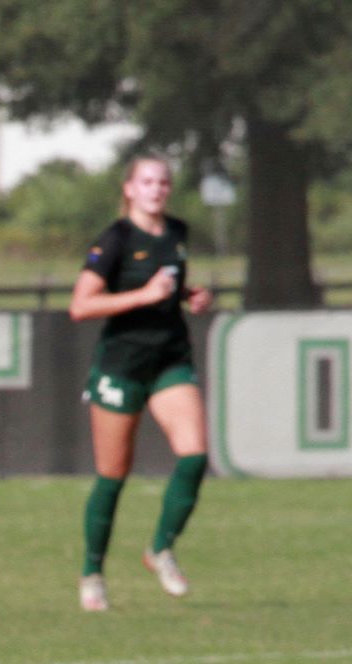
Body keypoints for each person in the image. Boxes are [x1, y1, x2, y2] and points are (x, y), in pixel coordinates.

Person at [69, 154, 213, 612]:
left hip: (170, 359)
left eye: (164, 182)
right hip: (121, 366)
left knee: (195, 455)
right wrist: (144, 296)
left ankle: (161, 549)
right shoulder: (115, 239)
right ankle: (92, 573)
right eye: (147, 181)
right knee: (113, 475)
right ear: (129, 188)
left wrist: (192, 295)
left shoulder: (177, 232)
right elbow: (81, 306)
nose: (157, 188)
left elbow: (171, 284)